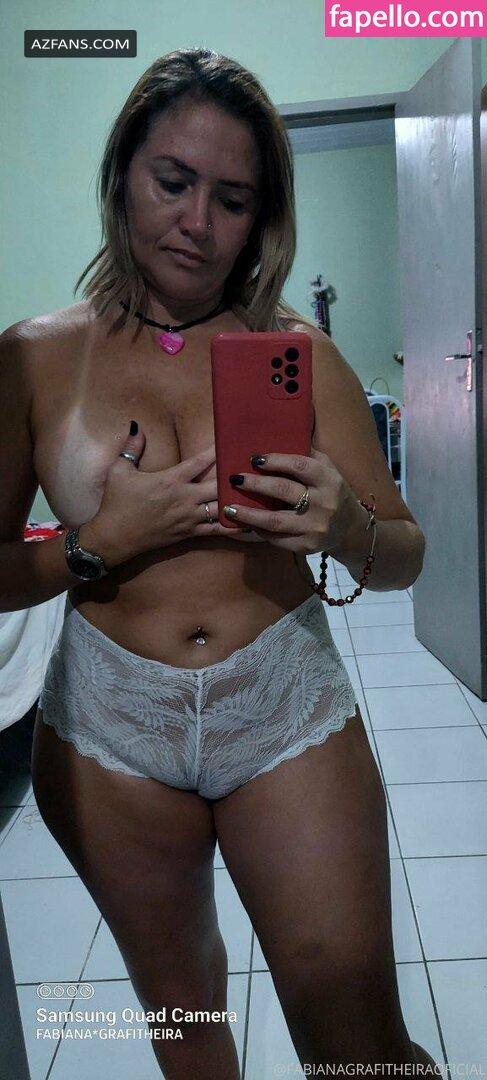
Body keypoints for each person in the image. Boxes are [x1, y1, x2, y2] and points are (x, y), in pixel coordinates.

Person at [0, 47, 440, 1079]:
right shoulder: (34, 356)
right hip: (109, 725)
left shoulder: (300, 355)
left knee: (358, 1039)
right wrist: (99, 543)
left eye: (232, 200)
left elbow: (404, 558)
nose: (196, 222)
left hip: (280, 705)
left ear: (261, 219)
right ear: (122, 176)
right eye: (172, 182)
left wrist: (347, 530)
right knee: (187, 1023)